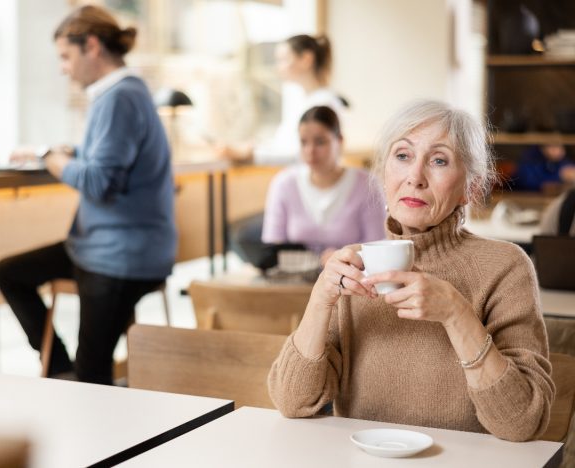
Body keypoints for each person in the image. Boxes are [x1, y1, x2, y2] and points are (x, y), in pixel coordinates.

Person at [268, 99, 554, 441]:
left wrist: (456, 313)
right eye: (402, 156)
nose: (415, 177)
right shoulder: (355, 266)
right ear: (383, 174)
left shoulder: (506, 267)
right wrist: (320, 299)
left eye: (438, 160)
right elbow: (292, 402)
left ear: (470, 188)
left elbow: (522, 422)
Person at [0, 5, 176, 385]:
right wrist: (67, 153)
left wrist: (48, 157)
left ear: (91, 46)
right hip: (109, 247)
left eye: (65, 56)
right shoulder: (128, 91)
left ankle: (76, 379)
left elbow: (99, 183)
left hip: (119, 256)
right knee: (10, 273)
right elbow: (108, 160)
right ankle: (59, 366)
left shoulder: (117, 98)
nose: (63, 68)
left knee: (92, 375)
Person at [262, 106, 385, 265]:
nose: (310, 151)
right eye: (303, 142)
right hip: (292, 282)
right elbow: (272, 246)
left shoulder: (367, 185)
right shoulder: (283, 184)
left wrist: (345, 256)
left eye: (320, 142)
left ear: (340, 141)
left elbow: (377, 246)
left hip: (350, 280)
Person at [219, 34, 345, 165]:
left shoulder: (323, 104)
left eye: (283, 60)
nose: (277, 67)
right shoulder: (303, 101)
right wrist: (254, 147)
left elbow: (304, 155)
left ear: (306, 59)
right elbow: (285, 145)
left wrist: (251, 155)